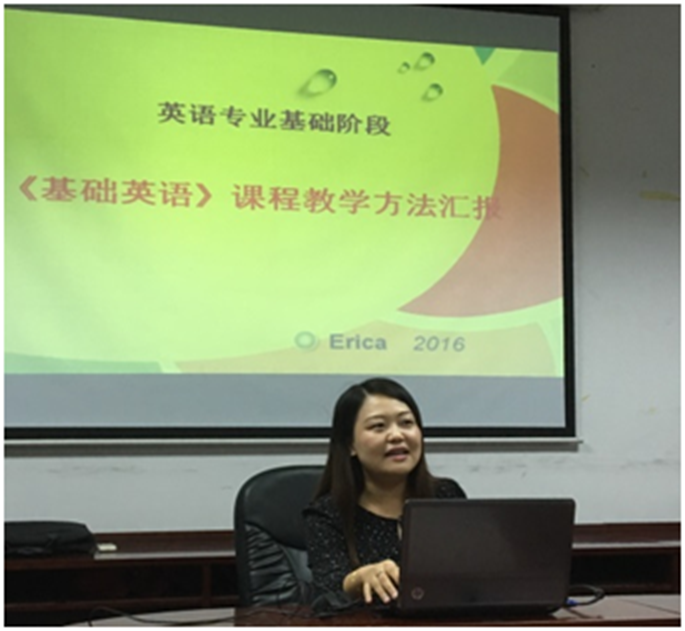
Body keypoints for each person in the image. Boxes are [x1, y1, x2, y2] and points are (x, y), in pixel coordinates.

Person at [303, 377, 466, 608]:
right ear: (350, 444)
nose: (397, 435)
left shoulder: (445, 495)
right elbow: (327, 588)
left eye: (406, 423)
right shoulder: (328, 513)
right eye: (378, 426)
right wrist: (359, 579)